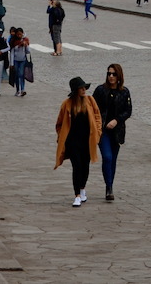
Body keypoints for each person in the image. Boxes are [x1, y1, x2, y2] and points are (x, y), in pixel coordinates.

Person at [54, 76, 102, 207]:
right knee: (77, 166)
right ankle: (77, 195)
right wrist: (62, 137)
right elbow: (59, 124)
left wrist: (98, 133)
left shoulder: (90, 101)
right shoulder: (67, 104)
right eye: (81, 88)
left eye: (84, 87)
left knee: (85, 165)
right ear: (75, 90)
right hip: (72, 141)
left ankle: (82, 188)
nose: (84, 90)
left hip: (87, 140)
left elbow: (98, 117)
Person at [91, 64, 132, 202]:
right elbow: (92, 108)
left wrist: (116, 120)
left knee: (113, 160)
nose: (111, 76)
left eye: (114, 74)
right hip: (102, 131)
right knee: (107, 157)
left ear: (119, 76)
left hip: (117, 131)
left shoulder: (124, 92)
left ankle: (110, 185)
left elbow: (128, 110)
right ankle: (109, 187)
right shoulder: (100, 90)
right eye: (109, 74)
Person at [10, 28, 32, 96]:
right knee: (16, 75)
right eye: (18, 34)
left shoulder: (25, 40)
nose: (19, 35)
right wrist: (11, 63)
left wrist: (26, 46)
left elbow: (28, 51)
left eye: (20, 34)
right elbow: (12, 53)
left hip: (23, 60)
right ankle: (17, 90)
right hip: (16, 60)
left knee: (21, 74)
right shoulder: (14, 41)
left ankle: (22, 89)